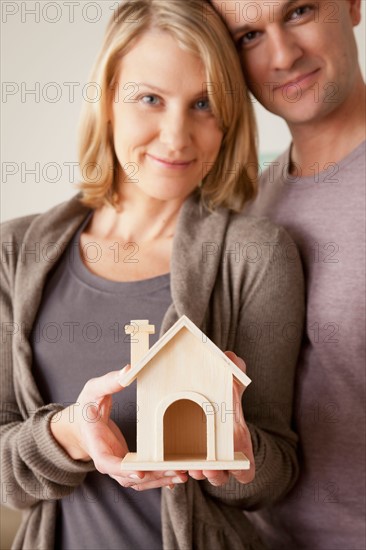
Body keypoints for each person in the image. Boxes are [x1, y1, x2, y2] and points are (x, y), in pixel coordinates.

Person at [0, 1, 304, 549]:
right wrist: (70, 433)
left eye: (204, 104)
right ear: (108, 99)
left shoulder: (257, 254)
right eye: (149, 99)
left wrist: (237, 456)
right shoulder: (13, 253)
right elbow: (5, 469)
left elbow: (278, 468)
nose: (176, 136)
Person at [209, 0, 366, 548]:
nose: (283, 55)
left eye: (299, 11)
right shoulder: (246, 206)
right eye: (249, 36)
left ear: (352, 6)